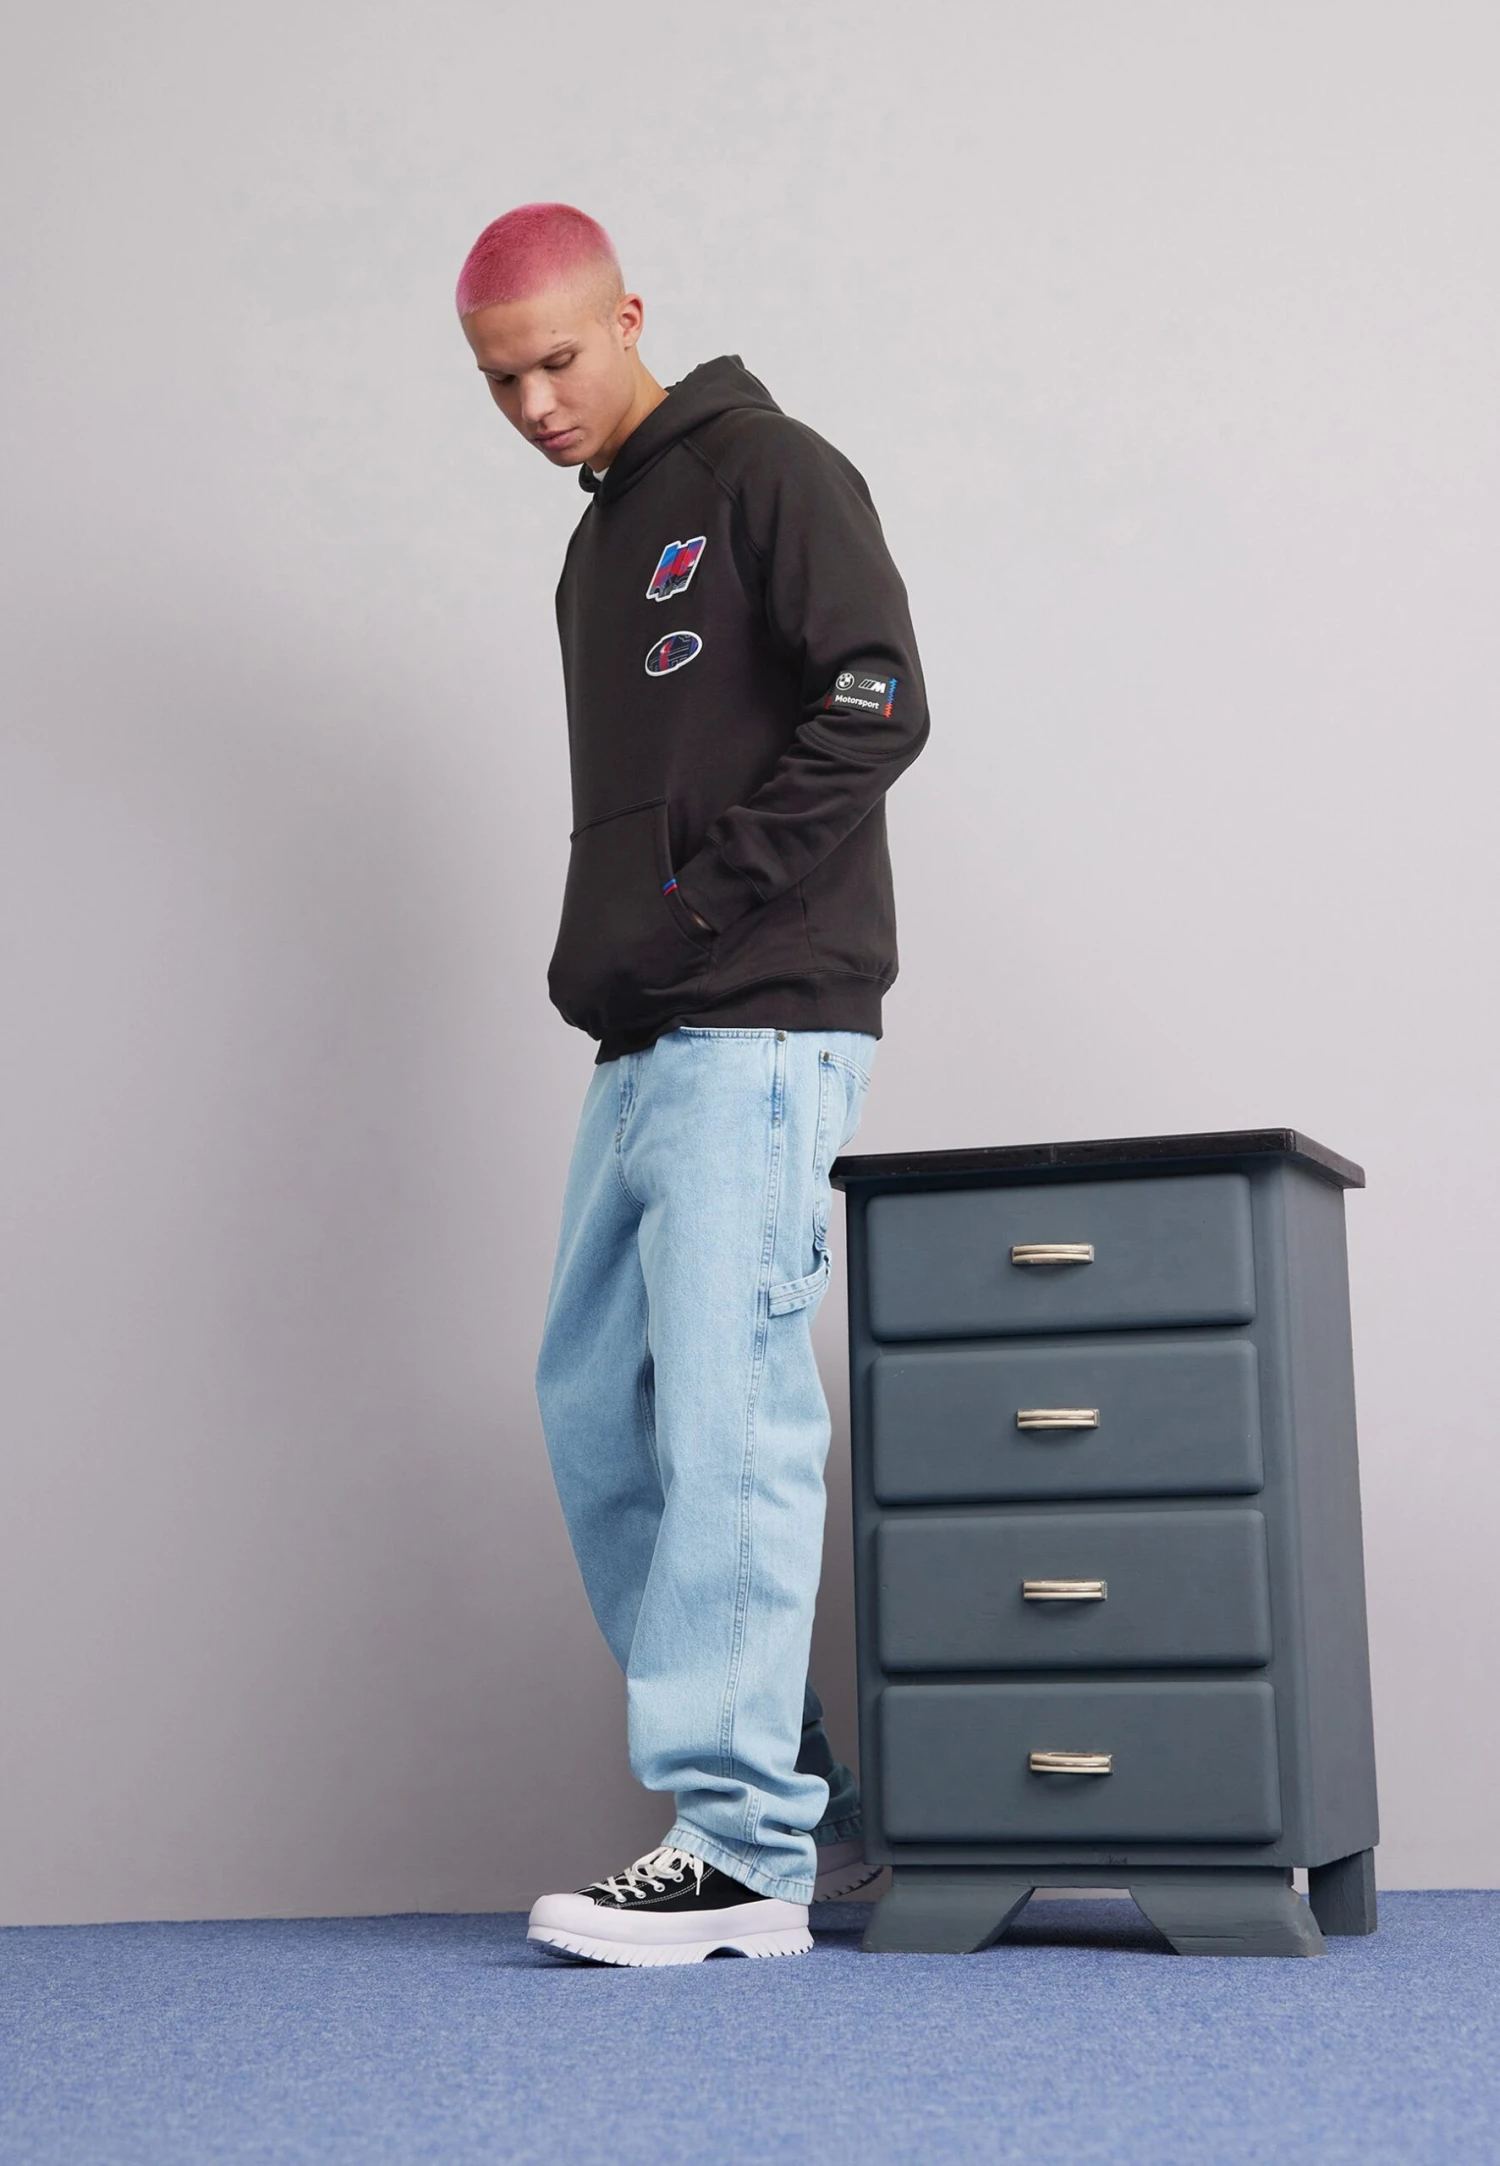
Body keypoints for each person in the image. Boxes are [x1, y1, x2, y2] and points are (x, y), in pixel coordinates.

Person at [455, 203, 929, 1966]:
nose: (535, 404)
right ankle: (805, 1804)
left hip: (764, 1016)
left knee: (731, 1410)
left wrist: (696, 906)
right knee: (598, 1409)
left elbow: (877, 703)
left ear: (631, 315)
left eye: (557, 361)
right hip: (648, 1033)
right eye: (500, 381)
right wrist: (618, 950)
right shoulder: (598, 543)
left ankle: (738, 1846)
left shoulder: (768, 471)